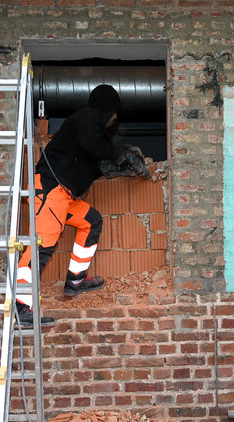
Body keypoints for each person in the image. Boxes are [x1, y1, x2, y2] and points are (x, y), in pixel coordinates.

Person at [15, 84, 148, 328]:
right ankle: (20, 307)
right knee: (42, 246)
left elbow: (92, 161)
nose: (115, 118)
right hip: (51, 188)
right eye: (114, 112)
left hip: (66, 195)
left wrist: (120, 163)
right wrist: (116, 152)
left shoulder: (91, 131)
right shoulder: (88, 117)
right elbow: (94, 145)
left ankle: (76, 279)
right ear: (107, 107)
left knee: (92, 221)